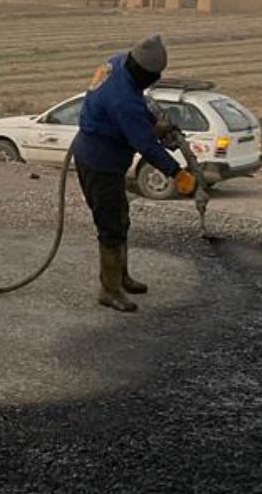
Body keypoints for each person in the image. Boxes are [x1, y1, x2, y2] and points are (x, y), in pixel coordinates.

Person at [72, 33, 183, 312]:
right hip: (99, 162)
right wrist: (177, 172)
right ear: (143, 72)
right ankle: (109, 290)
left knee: (121, 219)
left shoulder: (117, 63)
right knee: (111, 226)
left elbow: (136, 106)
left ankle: (121, 276)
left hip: (101, 152)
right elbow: (144, 143)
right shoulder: (123, 100)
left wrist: (152, 122)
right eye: (153, 76)